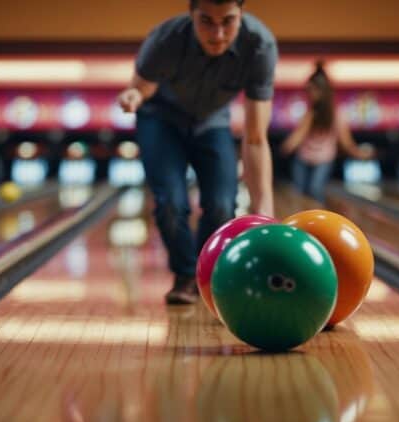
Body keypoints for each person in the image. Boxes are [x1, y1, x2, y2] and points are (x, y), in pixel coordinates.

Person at [118, 0, 277, 304]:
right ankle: (186, 275)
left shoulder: (259, 46)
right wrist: (133, 95)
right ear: (191, 15)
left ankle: (208, 273)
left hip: (212, 121)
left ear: (241, 15)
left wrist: (265, 212)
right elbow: (141, 87)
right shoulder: (166, 38)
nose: (217, 33)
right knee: (171, 204)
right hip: (160, 119)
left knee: (221, 204)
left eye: (228, 21)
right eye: (206, 21)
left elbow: (256, 137)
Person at [281, 61, 373, 202]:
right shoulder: (310, 113)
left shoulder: (336, 114)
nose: (309, 94)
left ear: (321, 91)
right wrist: (284, 148)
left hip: (323, 160)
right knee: (299, 194)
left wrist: (359, 153)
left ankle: (316, 223)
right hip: (303, 159)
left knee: (315, 190)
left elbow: (346, 142)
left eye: (311, 90)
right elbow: (297, 136)